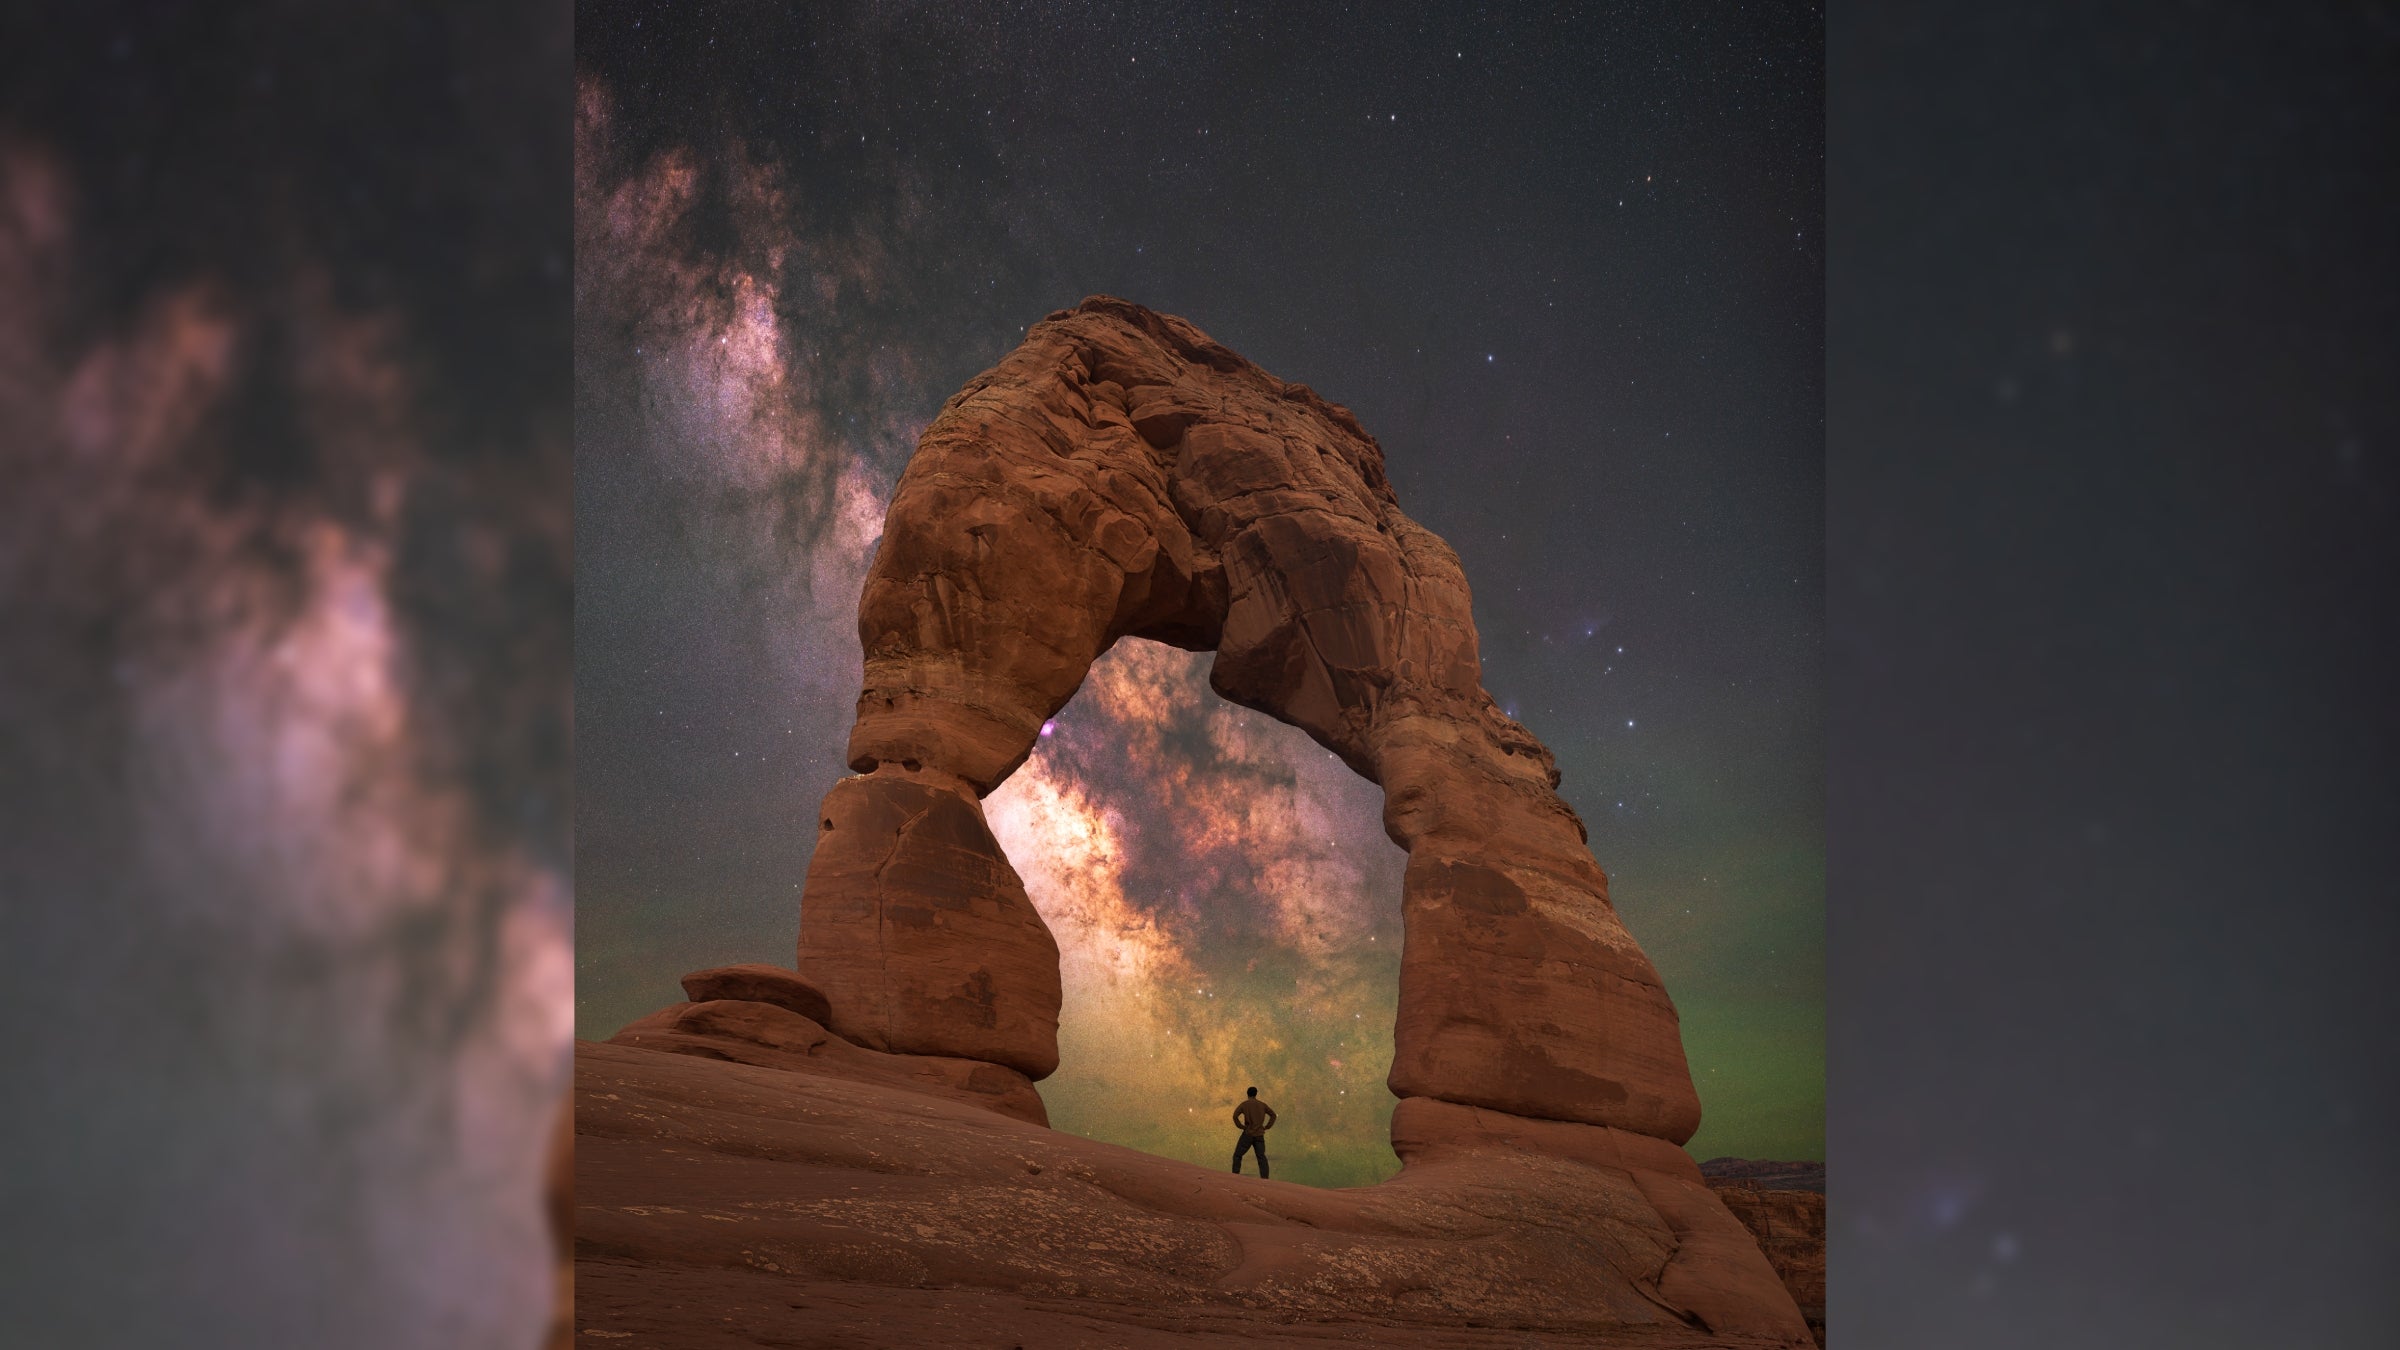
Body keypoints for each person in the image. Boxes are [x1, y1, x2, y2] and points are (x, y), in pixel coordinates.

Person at [1230, 1086, 1277, 1178]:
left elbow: (1235, 1116)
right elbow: (1273, 1115)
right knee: (1261, 1158)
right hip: (1259, 1135)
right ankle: (1265, 1179)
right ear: (1256, 1094)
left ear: (1247, 1094)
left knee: (1237, 1155)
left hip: (1248, 1134)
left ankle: (1235, 1177)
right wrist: (1267, 1126)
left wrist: (1241, 1126)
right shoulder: (1262, 1105)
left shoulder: (1244, 1104)